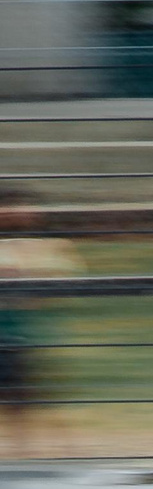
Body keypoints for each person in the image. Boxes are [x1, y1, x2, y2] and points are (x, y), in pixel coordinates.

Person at [0, 190, 82, 457]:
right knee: (27, 398)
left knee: (31, 396)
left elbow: (64, 276)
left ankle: (48, 450)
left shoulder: (48, 245)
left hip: (23, 334)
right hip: (14, 330)